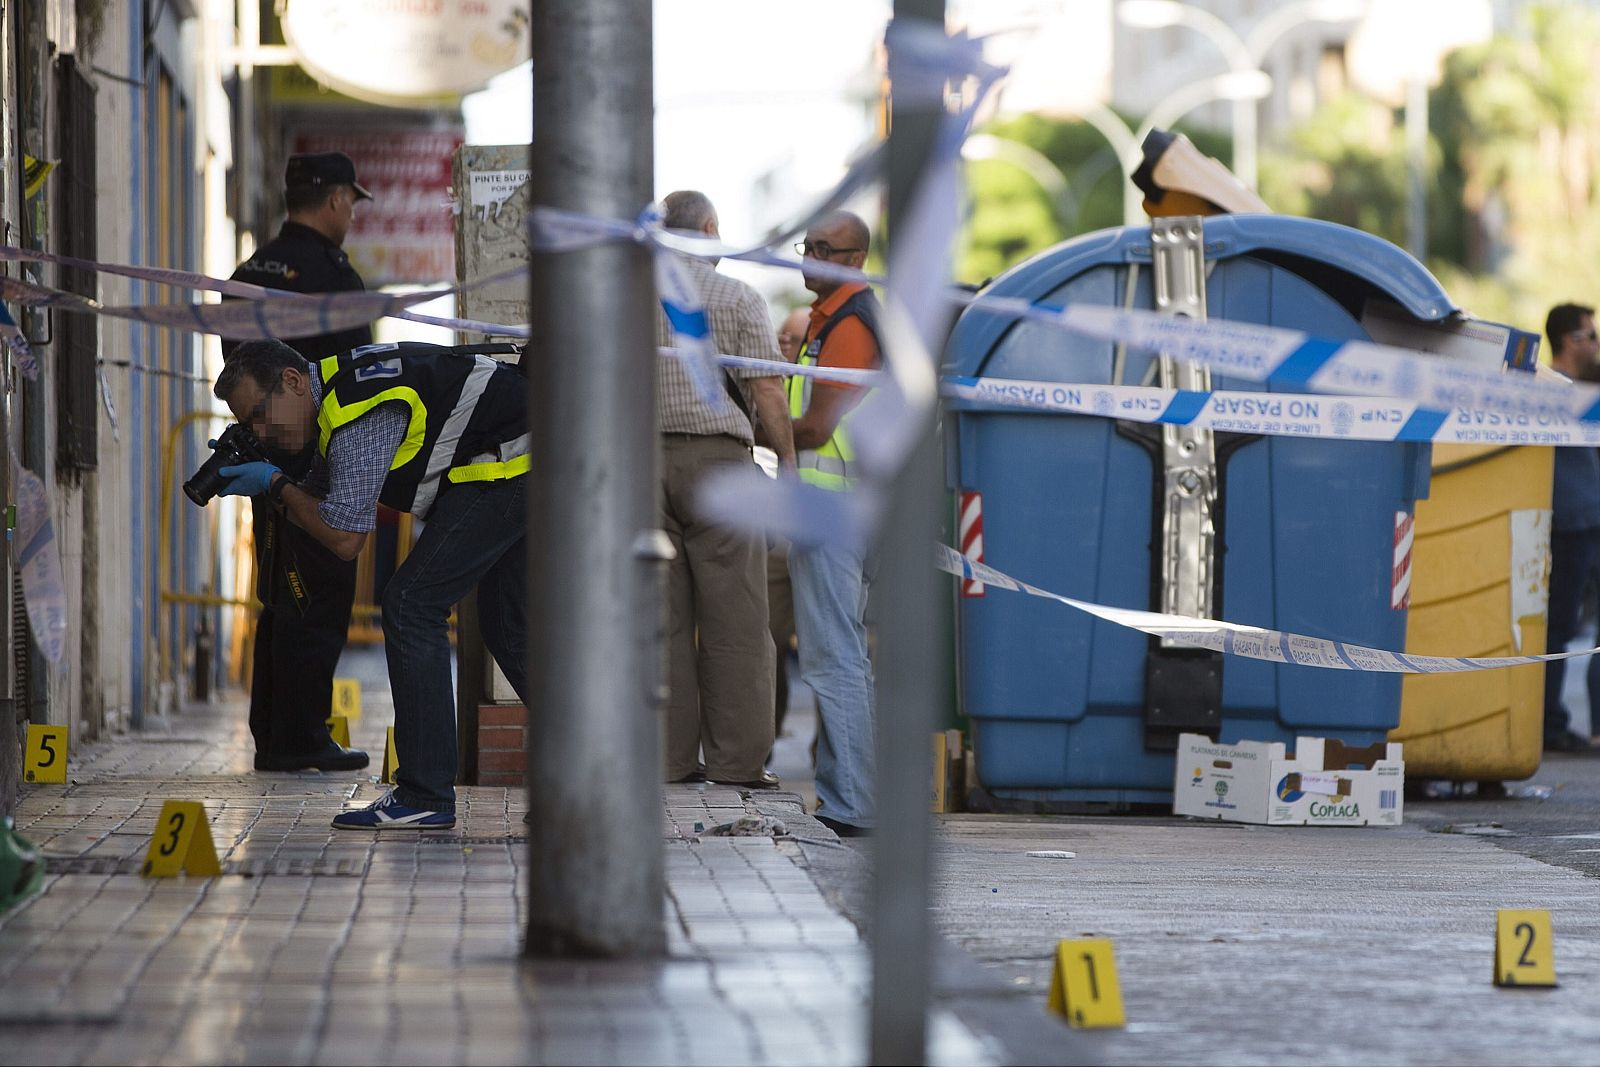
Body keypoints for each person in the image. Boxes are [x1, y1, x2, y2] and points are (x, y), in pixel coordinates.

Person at [212, 338, 530, 829]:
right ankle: (592, 778)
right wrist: (273, 474)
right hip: (523, 456)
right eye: (248, 425)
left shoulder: (355, 409)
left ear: (293, 382)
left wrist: (275, 484)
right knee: (507, 625)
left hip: (510, 462)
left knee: (410, 604)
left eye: (259, 415)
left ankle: (425, 792)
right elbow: (328, 494)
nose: (262, 432)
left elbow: (344, 537)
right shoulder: (337, 395)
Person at [223, 151, 374, 773]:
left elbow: (235, 373)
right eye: (350, 203)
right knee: (320, 596)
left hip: (263, 458)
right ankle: (301, 738)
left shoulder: (249, 269)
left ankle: (276, 734)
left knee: (278, 595)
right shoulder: (333, 276)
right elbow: (360, 375)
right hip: (319, 458)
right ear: (337, 199)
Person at [655, 190, 797, 789]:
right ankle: (738, 764)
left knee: (658, 621)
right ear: (711, 229)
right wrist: (787, 465)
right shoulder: (737, 296)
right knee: (737, 620)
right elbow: (766, 391)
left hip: (641, 464)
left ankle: (667, 760)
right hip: (721, 465)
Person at [789, 210, 882, 836]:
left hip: (834, 509)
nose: (810, 256)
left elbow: (818, 425)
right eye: (808, 245)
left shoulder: (850, 324)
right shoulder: (835, 319)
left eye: (826, 248)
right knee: (842, 656)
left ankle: (852, 807)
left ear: (855, 259)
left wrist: (761, 424)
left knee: (834, 659)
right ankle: (847, 799)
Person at [1543, 302, 1600, 753]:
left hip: (1587, 520)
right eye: (1589, 336)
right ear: (1569, 341)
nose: (1596, 344)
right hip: (1570, 524)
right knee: (1558, 623)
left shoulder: (1585, 388)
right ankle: (1548, 722)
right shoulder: (1551, 393)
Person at [769, 308, 811, 740]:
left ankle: (828, 756)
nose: (785, 344)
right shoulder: (764, 381)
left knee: (825, 650)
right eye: (782, 337)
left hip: (818, 528)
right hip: (774, 539)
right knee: (768, 645)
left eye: (795, 338)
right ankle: (764, 743)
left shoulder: (821, 384)